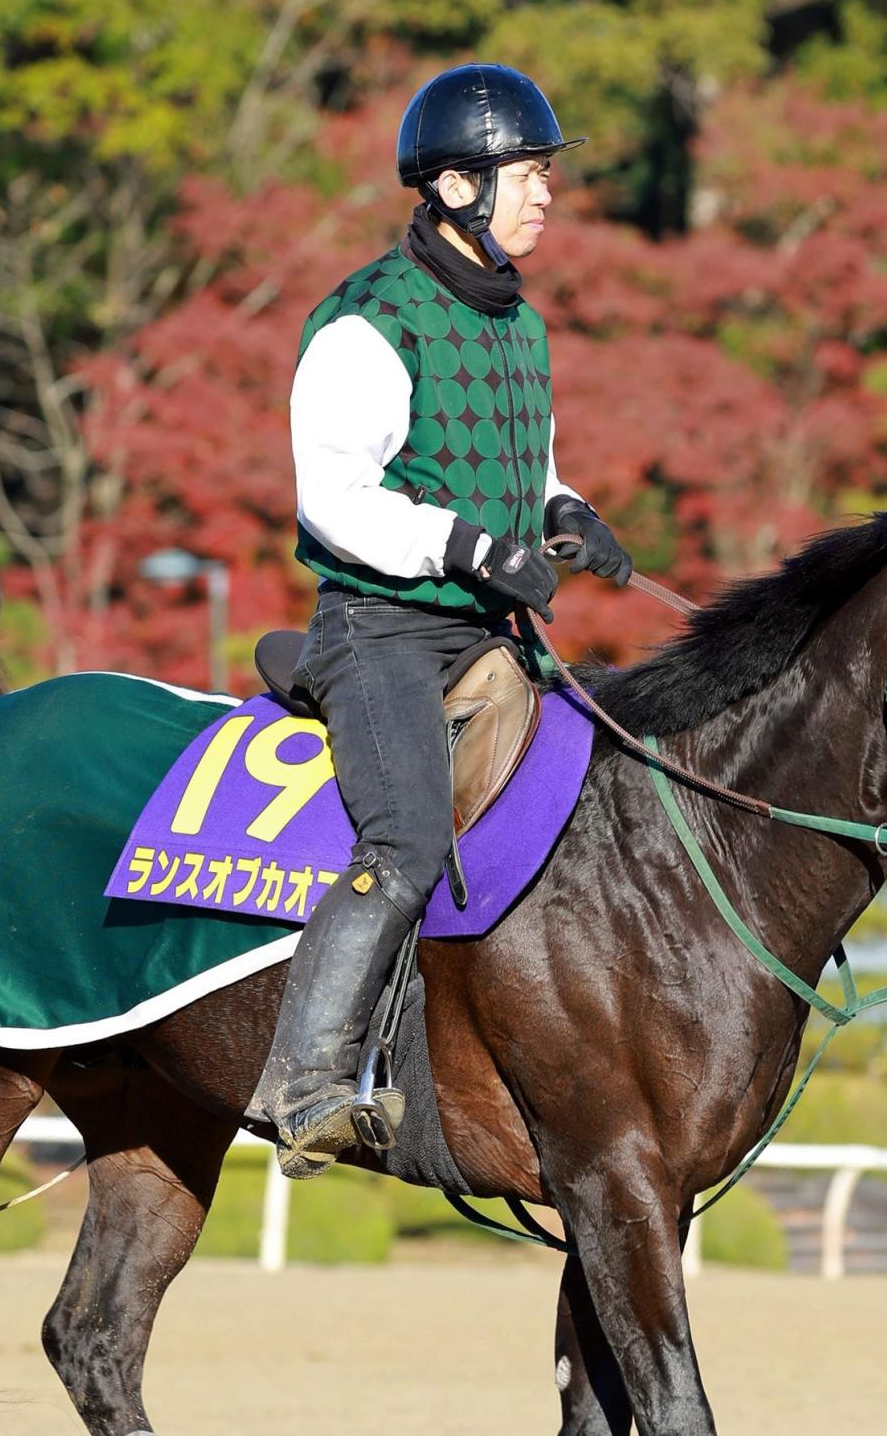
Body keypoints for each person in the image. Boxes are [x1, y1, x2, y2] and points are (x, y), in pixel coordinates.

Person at [250, 62, 634, 1179]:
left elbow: (520, 455)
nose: (546, 194)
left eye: (546, 177)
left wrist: (563, 508)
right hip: (382, 632)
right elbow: (336, 498)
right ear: (459, 185)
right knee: (408, 841)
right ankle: (310, 1079)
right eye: (530, 175)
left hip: (490, 638)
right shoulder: (365, 324)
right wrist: (468, 547)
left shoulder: (520, 321)